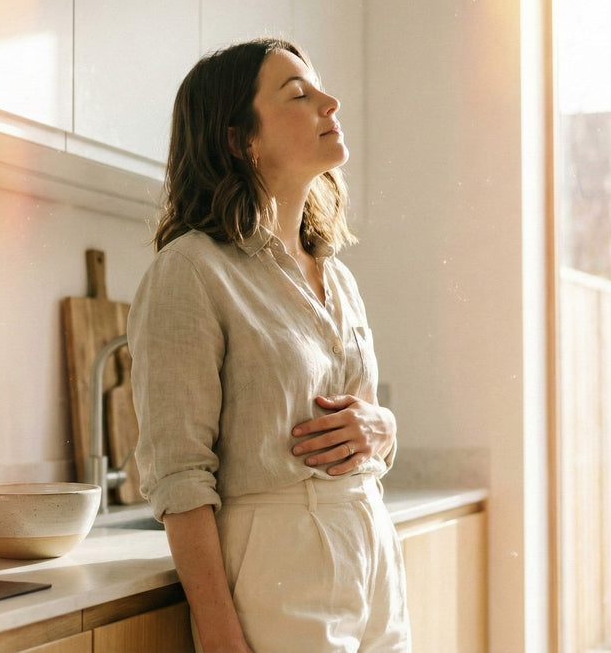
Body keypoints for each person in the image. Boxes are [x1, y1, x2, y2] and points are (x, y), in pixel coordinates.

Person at [129, 38, 410, 653]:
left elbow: (359, 424)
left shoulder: (336, 276)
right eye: (298, 94)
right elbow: (178, 477)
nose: (329, 102)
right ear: (240, 141)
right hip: (280, 563)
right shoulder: (192, 270)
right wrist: (221, 636)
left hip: (371, 547)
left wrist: (383, 428)